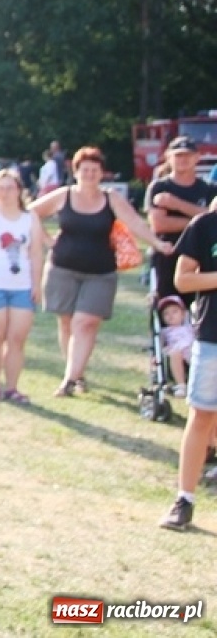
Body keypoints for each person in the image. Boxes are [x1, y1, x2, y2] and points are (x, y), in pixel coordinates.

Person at [30, 146, 169, 397]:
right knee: (67, 324)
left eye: (95, 170)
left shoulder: (111, 198)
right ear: (76, 172)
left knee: (85, 322)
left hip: (100, 272)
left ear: (101, 173)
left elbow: (135, 222)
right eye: (85, 170)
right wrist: (48, 241)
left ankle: (69, 380)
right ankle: (77, 373)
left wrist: (157, 243)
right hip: (63, 268)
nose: (90, 174)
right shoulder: (64, 195)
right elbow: (31, 213)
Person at [159, 212, 217, 530]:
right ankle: (185, 500)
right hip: (213, 336)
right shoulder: (205, 225)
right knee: (202, 416)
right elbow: (183, 279)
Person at [0, 167, 45, 403]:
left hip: (21, 286)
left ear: (19, 191)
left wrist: (37, 284)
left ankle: (12, 387)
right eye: (0, 187)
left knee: (17, 338)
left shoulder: (29, 218)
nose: (5, 192)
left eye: (10, 187)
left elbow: (35, 252)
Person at [145, 135, 214, 303]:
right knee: (167, 307)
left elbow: (214, 221)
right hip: (168, 253)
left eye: (188, 155)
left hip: (200, 257)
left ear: (197, 157)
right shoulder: (160, 187)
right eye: (178, 155)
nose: (183, 160)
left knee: (198, 307)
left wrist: (176, 205)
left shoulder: (209, 190)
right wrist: (199, 222)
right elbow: (159, 224)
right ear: (168, 157)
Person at [158, 295, 195, 394]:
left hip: (192, 349)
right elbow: (160, 344)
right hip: (177, 351)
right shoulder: (165, 331)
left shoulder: (189, 326)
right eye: (166, 314)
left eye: (175, 311)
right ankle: (181, 385)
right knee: (175, 354)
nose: (170, 316)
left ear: (183, 314)